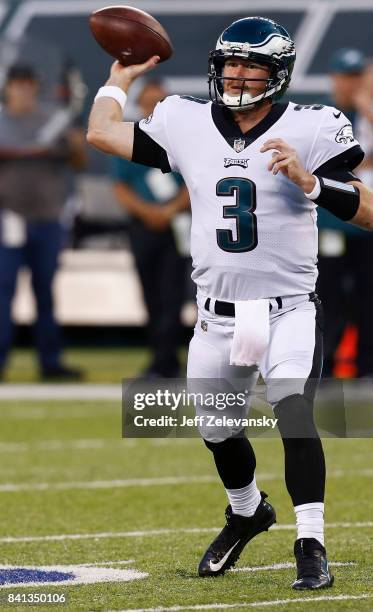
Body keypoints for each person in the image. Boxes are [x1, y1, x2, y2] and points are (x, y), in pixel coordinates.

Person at [87, 16, 373, 589]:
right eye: (231, 65)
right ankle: (247, 510)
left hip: (289, 307)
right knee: (217, 430)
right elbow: (103, 133)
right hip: (216, 314)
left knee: (294, 410)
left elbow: (368, 209)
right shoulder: (184, 118)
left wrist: (311, 185)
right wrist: (118, 77)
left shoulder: (314, 127)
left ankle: (310, 540)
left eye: (252, 66)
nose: (238, 76)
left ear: (279, 74)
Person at [0, 63, 86, 380]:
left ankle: (50, 362)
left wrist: (75, 144)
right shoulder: (2, 121)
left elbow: (79, 162)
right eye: (17, 84)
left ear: (35, 86)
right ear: (8, 87)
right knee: (3, 291)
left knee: (46, 292)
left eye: (28, 83)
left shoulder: (54, 119)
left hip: (48, 217)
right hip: (8, 217)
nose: (23, 90)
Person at [111, 79, 190, 378]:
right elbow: (120, 186)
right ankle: (159, 356)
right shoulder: (132, 137)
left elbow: (195, 182)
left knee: (173, 292)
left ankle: (168, 358)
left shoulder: (183, 139)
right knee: (149, 292)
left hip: (177, 225)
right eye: (150, 101)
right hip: (143, 226)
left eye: (160, 101)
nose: (154, 107)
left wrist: (169, 211)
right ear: (140, 104)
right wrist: (149, 213)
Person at [317, 49, 373, 377]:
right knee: (328, 297)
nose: (351, 84)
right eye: (346, 76)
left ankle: (366, 366)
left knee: (368, 297)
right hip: (333, 221)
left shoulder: (365, 114)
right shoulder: (324, 114)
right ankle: (325, 364)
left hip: (367, 223)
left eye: (357, 76)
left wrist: (366, 101)